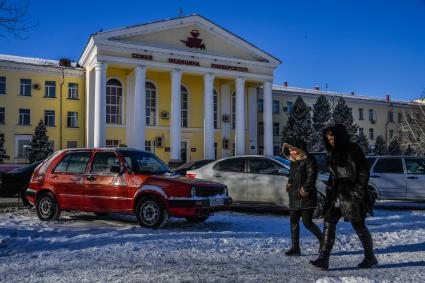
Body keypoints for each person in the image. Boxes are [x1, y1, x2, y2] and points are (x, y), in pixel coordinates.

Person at [310, 124, 378, 270]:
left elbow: (363, 171)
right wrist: (329, 189)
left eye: (332, 136)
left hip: (351, 194)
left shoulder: (353, 149)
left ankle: (370, 257)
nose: (330, 140)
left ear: (339, 135)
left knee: (358, 225)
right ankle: (324, 258)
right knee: (329, 220)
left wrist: (358, 191)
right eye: (327, 137)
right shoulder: (332, 151)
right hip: (337, 193)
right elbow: (334, 174)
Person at [282, 138, 323, 256]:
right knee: (293, 222)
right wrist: (289, 184)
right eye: (289, 149)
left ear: (299, 149)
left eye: (292, 149)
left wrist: (304, 189)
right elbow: (292, 175)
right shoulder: (293, 162)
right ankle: (295, 248)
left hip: (306, 197)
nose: (290, 151)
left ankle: (323, 241)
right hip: (294, 196)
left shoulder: (309, 160)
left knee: (307, 223)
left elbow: (312, 177)